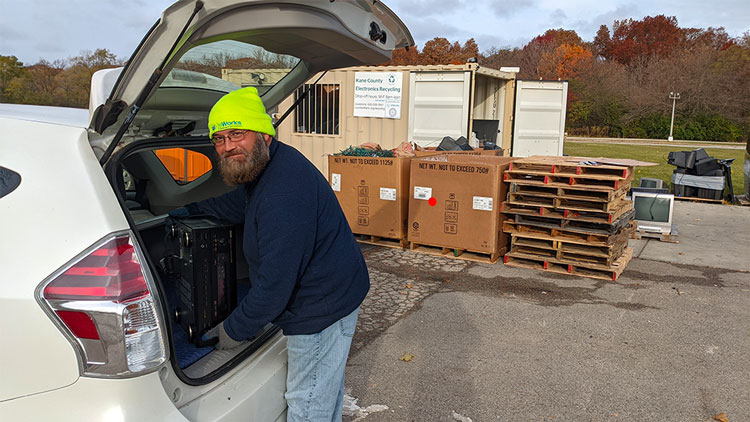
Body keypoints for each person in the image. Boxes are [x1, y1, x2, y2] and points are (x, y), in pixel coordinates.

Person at [173, 87, 369, 421]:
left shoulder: (283, 194)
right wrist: (185, 210)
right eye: (218, 138)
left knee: (308, 404)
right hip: (333, 287)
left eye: (237, 133)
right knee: (324, 391)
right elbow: (238, 204)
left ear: (264, 133)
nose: (227, 146)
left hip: (321, 308)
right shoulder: (268, 165)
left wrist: (232, 330)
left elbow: (274, 287)